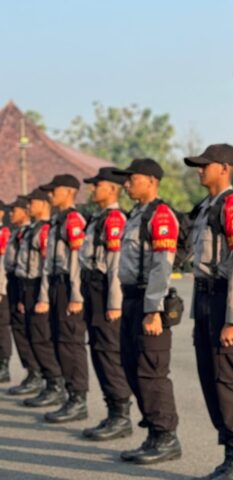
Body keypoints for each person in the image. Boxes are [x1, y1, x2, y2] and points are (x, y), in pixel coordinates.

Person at [185, 144, 233, 480]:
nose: (200, 170)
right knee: (211, 377)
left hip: (224, 301)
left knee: (231, 381)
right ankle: (230, 454)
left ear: (225, 168)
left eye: (206, 165)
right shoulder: (207, 208)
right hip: (205, 300)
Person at [115, 158, 182, 464]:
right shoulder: (135, 215)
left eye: (133, 178)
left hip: (149, 300)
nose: (127, 183)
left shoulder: (161, 214)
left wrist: (154, 309)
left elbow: (161, 266)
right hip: (131, 299)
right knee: (132, 367)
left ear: (152, 181)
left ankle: (166, 436)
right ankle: (154, 434)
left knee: (151, 370)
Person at [80, 167, 134, 441]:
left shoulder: (114, 219)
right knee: (99, 351)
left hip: (104, 291)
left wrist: (114, 303)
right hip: (92, 289)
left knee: (109, 352)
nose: (92, 189)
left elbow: (115, 265)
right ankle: (112, 411)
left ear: (112, 188)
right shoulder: (97, 218)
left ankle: (121, 415)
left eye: (97, 184)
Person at [36, 174, 90, 423]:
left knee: (71, 344)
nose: (50, 195)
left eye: (53, 190)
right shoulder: (57, 221)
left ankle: (78, 399)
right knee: (60, 342)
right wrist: (45, 295)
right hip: (56, 285)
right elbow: (48, 264)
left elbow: (77, 261)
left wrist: (76, 295)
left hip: (69, 287)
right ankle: (69, 395)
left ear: (68, 192)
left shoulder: (74, 220)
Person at [18, 188, 67, 408]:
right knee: (32, 336)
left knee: (41, 339)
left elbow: (46, 266)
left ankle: (55, 385)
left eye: (32, 202)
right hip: (27, 286)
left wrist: (43, 296)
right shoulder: (34, 229)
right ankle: (47, 382)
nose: (29, 207)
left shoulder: (46, 230)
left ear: (43, 205)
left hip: (40, 285)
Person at [6, 196, 45, 395]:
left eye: (15, 210)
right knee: (20, 330)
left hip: (32, 284)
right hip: (17, 282)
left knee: (33, 333)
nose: (11, 214)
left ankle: (38, 374)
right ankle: (32, 372)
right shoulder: (21, 232)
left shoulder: (36, 231)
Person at [0, 203, 13, 382]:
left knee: (1, 327)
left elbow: (3, 264)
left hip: (1, 285)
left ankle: (4, 365)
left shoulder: (4, 233)